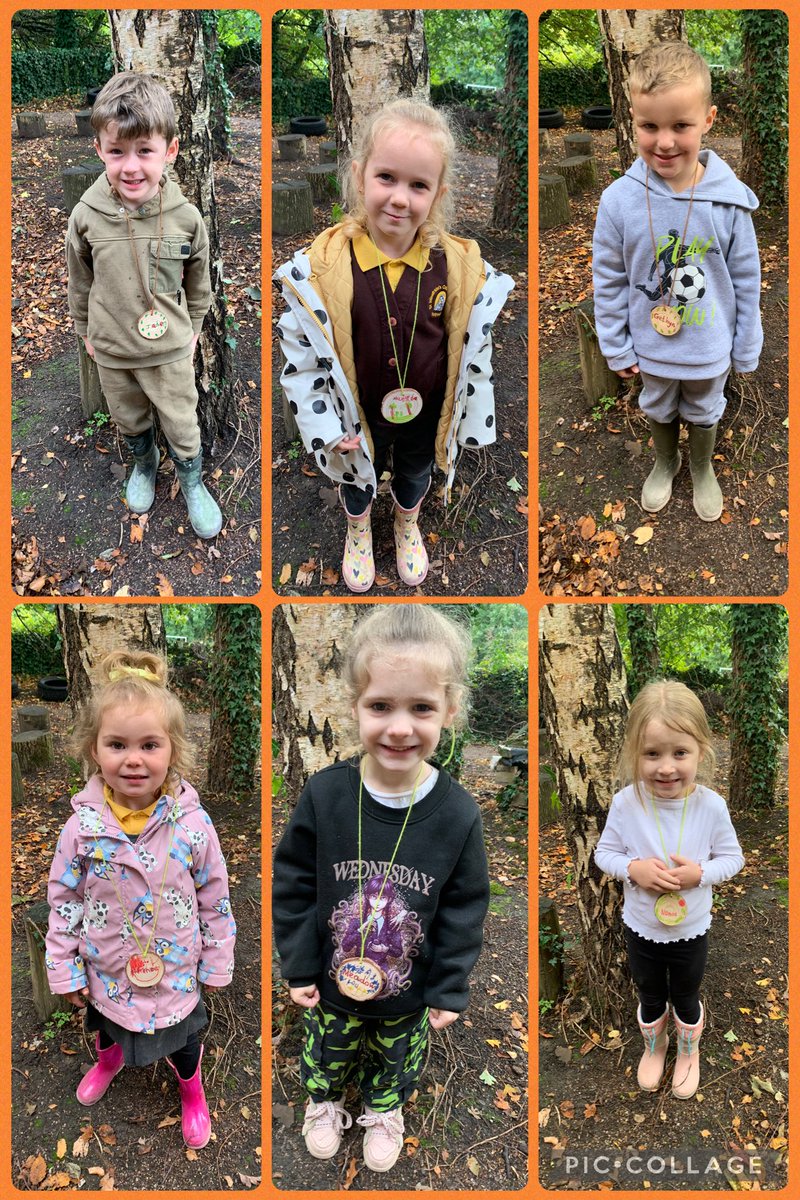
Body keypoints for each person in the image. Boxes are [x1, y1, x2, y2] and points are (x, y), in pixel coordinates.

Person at [273, 606, 490, 1171]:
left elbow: (465, 909)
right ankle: (322, 1100)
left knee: (397, 1056)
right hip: (329, 979)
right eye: (380, 706)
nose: (399, 727)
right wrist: (298, 966)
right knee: (327, 1046)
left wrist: (448, 987)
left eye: (421, 708)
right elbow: (292, 884)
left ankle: (384, 1107)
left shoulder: (458, 815)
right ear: (355, 708)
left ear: (450, 710)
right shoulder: (325, 797)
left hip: (408, 991)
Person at [274, 99, 514, 591]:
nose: (400, 198)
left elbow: (474, 353)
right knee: (356, 477)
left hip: (424, 413)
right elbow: (301, 364)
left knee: (414, 471)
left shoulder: (456, 269)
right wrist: (325, 427)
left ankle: (407, 522)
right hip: (353, 416)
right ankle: (358, 527)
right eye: (387, 177)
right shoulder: (321, 271)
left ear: (437, 194)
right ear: (360, 176)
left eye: (418, 185)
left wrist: (467, 417)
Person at [45, 650, 236, 1148]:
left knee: (185, 1038)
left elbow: (215, 895)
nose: (133, 759)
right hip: (107, 967)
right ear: (94, 750)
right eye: (117, 744)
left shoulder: (193, 825)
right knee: (108, 1025)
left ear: (173, 750)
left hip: (175, 969)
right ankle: (108, 1059)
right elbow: (64, 899)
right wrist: (63, 965)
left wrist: (217, 960)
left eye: (149, 745)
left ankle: (190, 1088)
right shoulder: (80, 828)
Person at [592, 42, 763, 522]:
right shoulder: (618, 202)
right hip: (652, 347)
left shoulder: (729, 202)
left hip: (711, 347)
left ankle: (702, 466)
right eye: (649, 126)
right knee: (659, 403)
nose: (664, 142)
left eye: (680, 126)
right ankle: (666, 460)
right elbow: (609, 279)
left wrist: (746, 344)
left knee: (706, 406)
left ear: (708, 120)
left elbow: (747, 279)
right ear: (632, 121)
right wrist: (617, 346)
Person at [66, 72, 222, 539]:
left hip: (170, 349)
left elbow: (199, 280)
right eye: (117, 152)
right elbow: (79, 280)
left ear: (169, 151)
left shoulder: (186, 217)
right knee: (128, 416)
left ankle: (192, 481)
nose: (131, 167)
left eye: (144, 152)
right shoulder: (85, 216)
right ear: (99, 150)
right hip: (111, 349)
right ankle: (144, 462)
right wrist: (86, 334)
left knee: (181, 419)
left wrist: (193, 327)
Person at [594, 680, 744, 1099]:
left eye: (680, 753)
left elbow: (733, 859)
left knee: (686, 991)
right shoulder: (627, 803)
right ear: (634, 754)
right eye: (652, 754)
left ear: (701, 750)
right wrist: (631, 868)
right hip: (641, 926)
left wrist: (702, 874)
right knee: (649, 990)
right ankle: (655, 1046)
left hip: (691, 928)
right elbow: (603, 854)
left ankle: (688, 1052)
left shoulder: (711, 806)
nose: (666, 768)